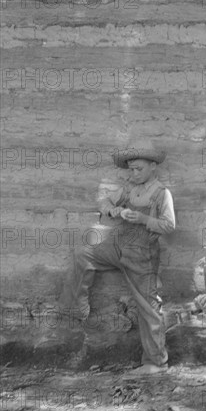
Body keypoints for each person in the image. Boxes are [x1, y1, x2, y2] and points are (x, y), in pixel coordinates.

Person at [60, 139, 176, 375]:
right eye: (131, 169)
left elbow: (169, 226)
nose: (134, 173)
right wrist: (111, 209)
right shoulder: (128, 188)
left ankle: (155, 363)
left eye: (139, 169)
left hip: (142, 254)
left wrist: (144, 220)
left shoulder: (162, 193)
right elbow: (103, 201)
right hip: (118, 244)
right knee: (84, 253)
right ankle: (75, 310)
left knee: (148, 306)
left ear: (153, 166)